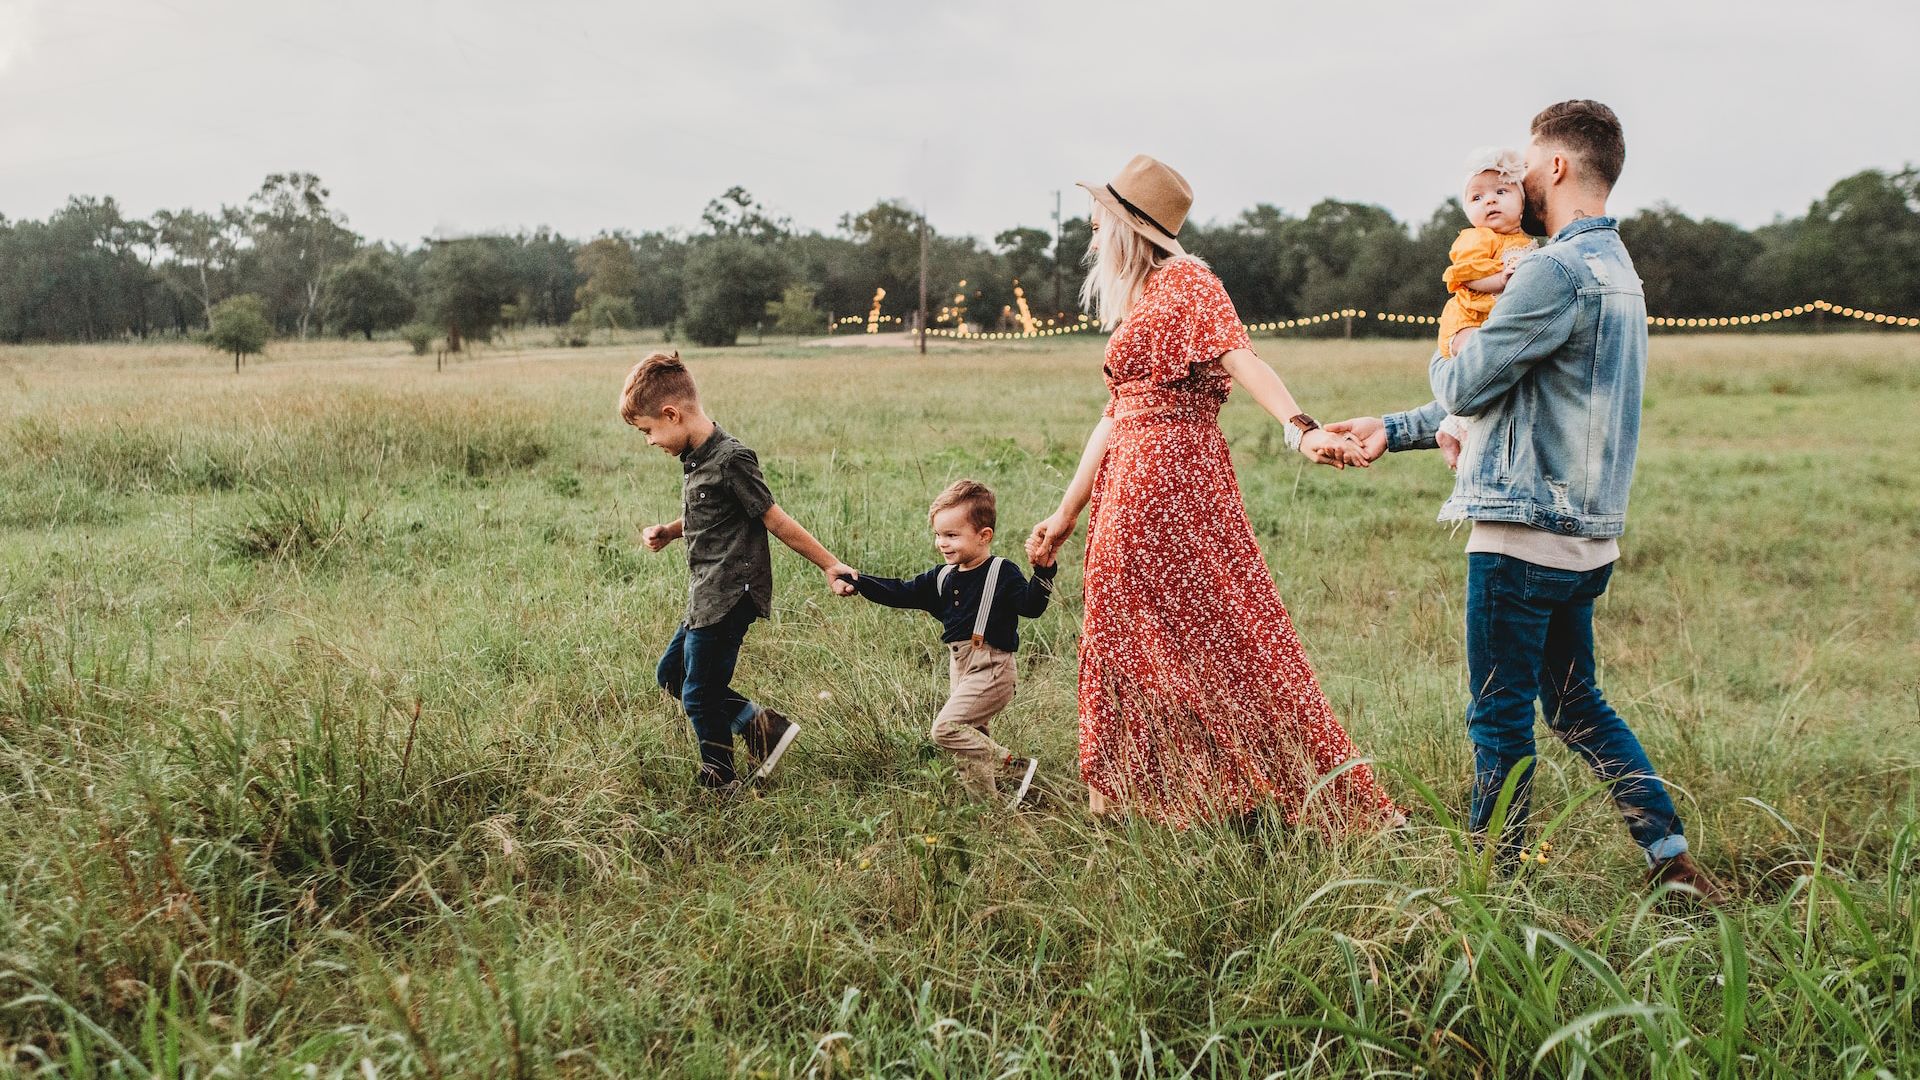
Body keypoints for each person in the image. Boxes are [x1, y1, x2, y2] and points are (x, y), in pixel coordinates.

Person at [1328, 101, 1727, 903]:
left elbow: (1470, 381)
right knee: (1577, 704)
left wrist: (1451, 345)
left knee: (1498, 718)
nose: (1515, 179)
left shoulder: (1550, 270)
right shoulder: (1619, 271)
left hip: (1520, 536)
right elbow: (1520, 394)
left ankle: (1491, 887)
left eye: (1527, 163)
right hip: (1586, 540)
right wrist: (1395, 429)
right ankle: (1670, 859)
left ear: (1556, 168)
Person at [1025, 153, 1401, 829]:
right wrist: (1064, 513)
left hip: (1171, 482)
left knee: (1223, 634)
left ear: (1127, 227)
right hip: (1131, 482)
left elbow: (1242, 357)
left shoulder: (1189, 282)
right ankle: (1139, 799)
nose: (1089, 232)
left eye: (1098, 220)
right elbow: (1114, 415)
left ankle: (1265, 791)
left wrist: (1301, 428)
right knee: (1126, 637)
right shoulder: (1143, 298)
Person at [620, 350, 858, 793]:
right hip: (706, 593)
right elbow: (709, 516)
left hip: (731, 594)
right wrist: (671, 531)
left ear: (671, 414)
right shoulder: (696, 459)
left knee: (698, 693)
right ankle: (763, 730)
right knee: (671, 675)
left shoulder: (731, 459)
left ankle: (720, 779)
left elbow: (774, 519)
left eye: (648, 431)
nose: (649, 441)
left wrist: (830, 565)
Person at [843, 480, 1053, 807]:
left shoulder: (1001, 572)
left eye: (952, 535)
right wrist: (858, 581)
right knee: (970, 746)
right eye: (938, 535)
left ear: (984, 536)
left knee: (946, 729)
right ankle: (989, 814)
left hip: (993, 669)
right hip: (960, 668)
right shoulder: (942, 577)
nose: (942, 543)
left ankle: (1014, 766)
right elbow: (900, 591)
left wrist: (1044, 571)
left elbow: (1032, 607)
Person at [1434, 147, 1537, 470]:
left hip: (1490, 321)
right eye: (1476, 198)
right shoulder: (1477, 238)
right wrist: (1500, 279)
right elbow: (1466, 274)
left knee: (1494, 376)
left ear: (1522, 203)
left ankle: (1453, 429)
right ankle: (1454, 430)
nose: (1489, 201)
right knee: (1480, 366)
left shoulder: (1526, 242)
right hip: (1466, 320)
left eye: (1501, 192)